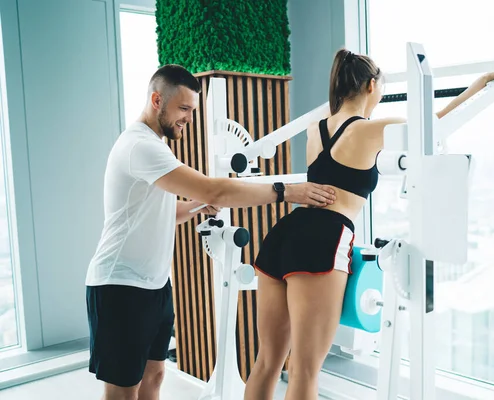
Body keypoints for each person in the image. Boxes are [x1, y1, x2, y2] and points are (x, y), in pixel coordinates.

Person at [244, 49, 494, 400]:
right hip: (324, 240)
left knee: (267, 362)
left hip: (284, 235)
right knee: (304, 371)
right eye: (381, 90)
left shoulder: (317, 129)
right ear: (372, 85)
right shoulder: (371, 130)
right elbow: (432, 124)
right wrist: (480, 84)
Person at [85, 64, 337, 400]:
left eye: (192, 110)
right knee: (123, 390)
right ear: (157, 100)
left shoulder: (156, 145)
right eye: (184, 109)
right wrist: (286, 191)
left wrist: (193, 207)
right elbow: (215, 190)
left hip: (154, 285)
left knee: (155, 375)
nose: (188, 118)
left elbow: (157, 213)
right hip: (120, 286)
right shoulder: (140, 146)